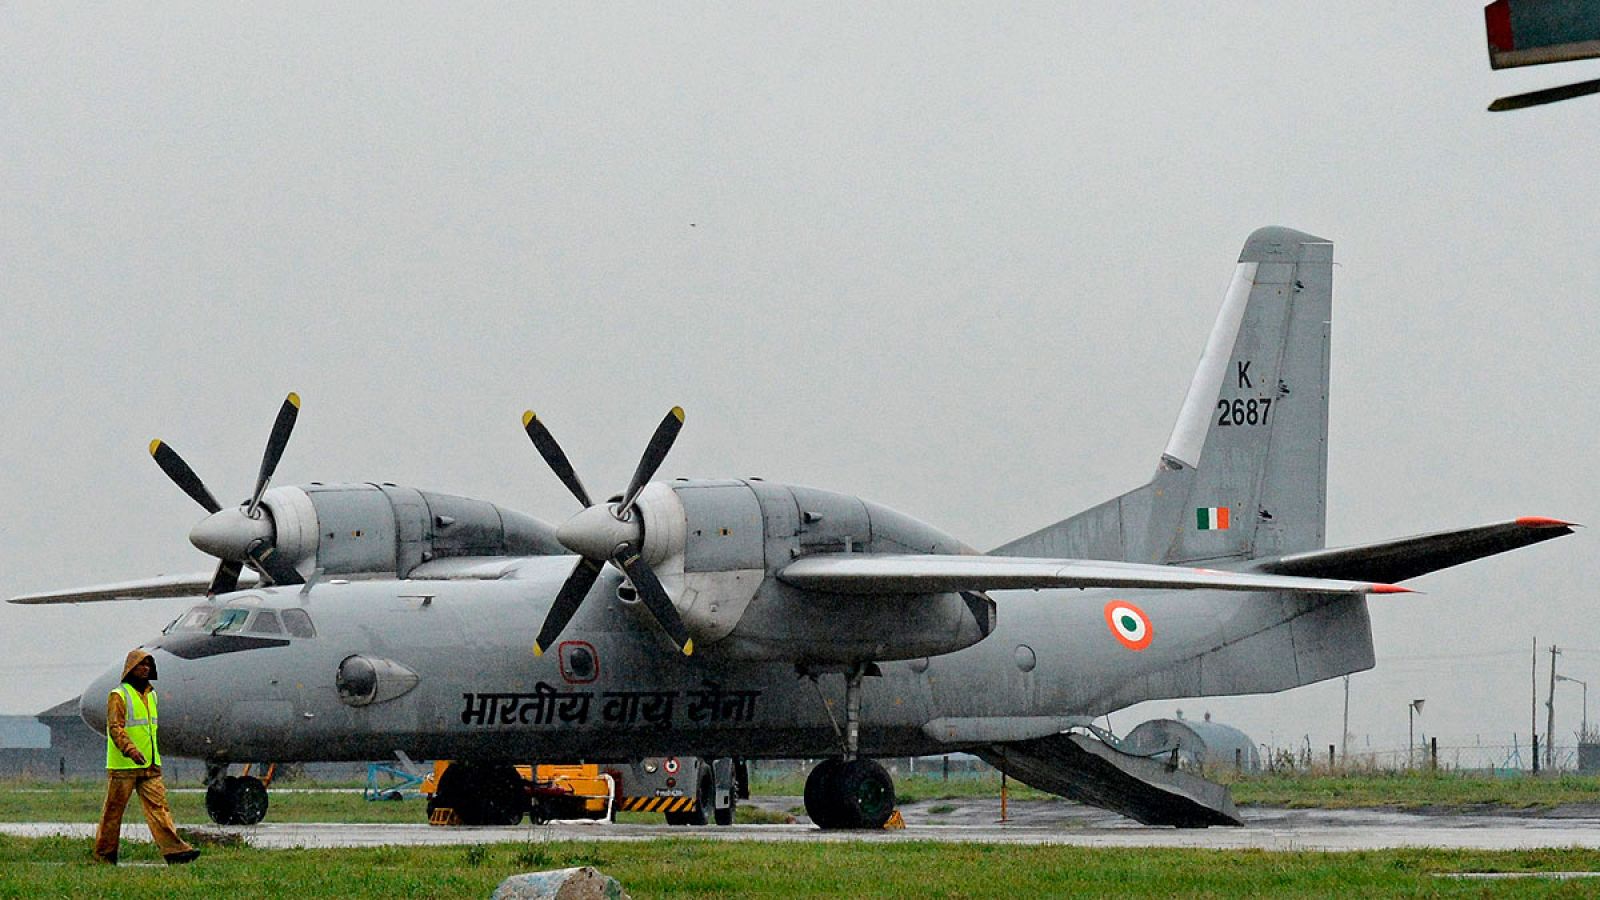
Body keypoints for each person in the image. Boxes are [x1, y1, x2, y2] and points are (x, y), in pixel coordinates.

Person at [92, 649, 200, 865]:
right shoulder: (118, 695)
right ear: (130, 669)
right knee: (113, 813)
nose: (145, 669)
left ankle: (175, 852)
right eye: (141, 665)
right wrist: (130, 750)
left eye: (148, 665)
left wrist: (149, 756)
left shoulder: (152, 696)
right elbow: (115, 728)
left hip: (150, 765)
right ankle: (105, 855)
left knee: (159, 808)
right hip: (124, 766)